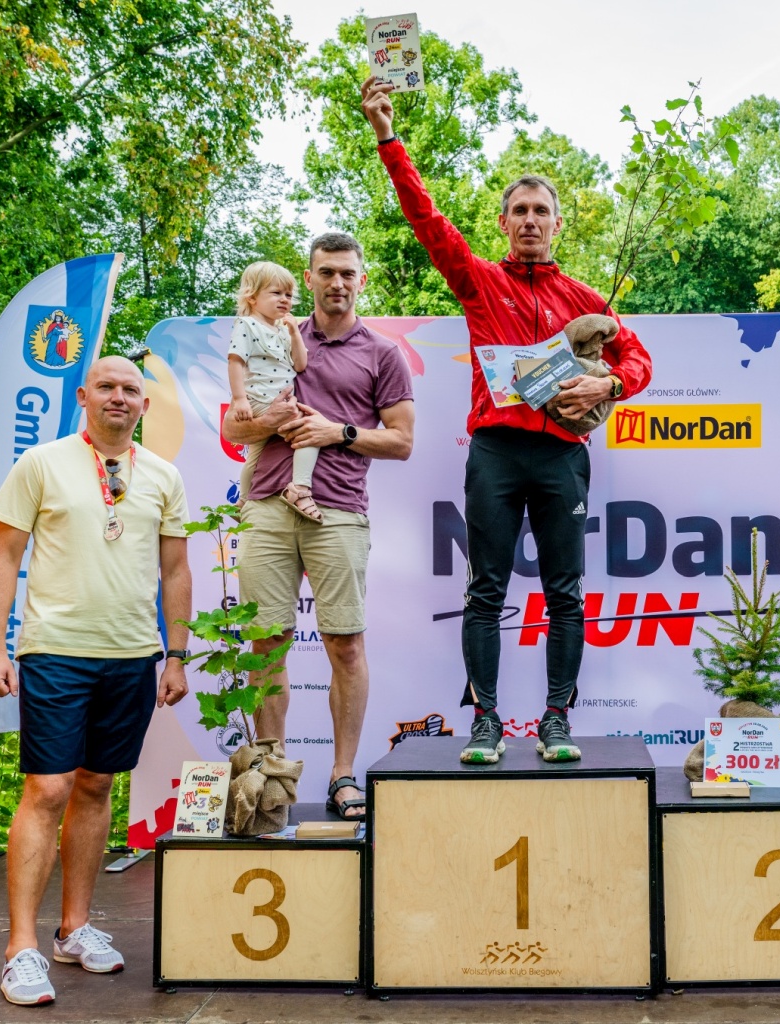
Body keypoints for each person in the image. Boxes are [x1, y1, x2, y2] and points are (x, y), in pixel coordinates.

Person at [361, 76, 653, 766]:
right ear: (503, 224)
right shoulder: (479, 281)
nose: (529, 220)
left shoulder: (583, 298)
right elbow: (427, 221)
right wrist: (387, 137)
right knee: (485, 591)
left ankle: (556, 720)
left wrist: (607, 382)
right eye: (518, 210)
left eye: (540, 211)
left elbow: (639, 360)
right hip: (494, 451)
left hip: (561, 457)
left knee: (565, 594)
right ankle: (486, 722)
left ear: (557, 224)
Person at [0, 356, 192, 1006]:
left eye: (131, 389)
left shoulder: (163, 476)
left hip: (132, 655)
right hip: (55, 652)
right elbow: (4, 557)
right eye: (107, 386)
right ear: (83, 396)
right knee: (48, 788)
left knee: (97, 786)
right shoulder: (41, 463)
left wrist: (177, 655)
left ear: (144, 405)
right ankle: (21, 949)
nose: (119, 397)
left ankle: (74, 929)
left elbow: (176, 571)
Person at [221, 231, 415, 820]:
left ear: (361, 280)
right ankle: (271, 780)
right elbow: (233, 428)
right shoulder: (271, 332)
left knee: (345, 646)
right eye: (326, 272)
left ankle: (342, 775)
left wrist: (338, 432)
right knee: (266, 644)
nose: (337, 282)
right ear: (307, 279)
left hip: (339, 510)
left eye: (347, 273)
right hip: (265, 506)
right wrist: (271, 421)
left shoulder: (383, 353)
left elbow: (402, 441)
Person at [225, 260, 322, 520]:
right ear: (252, 297)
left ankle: (242, 502)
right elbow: (235, 362)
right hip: (261, 399)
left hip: (275, 400)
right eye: (276, 293)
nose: (284, 300)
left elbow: (300, 364)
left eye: (288, 295)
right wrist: (240, 399)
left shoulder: (282, 329)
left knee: (256, 455)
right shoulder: (247, 324)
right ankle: (299, 489)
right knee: (310, 433)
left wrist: (295, 333)